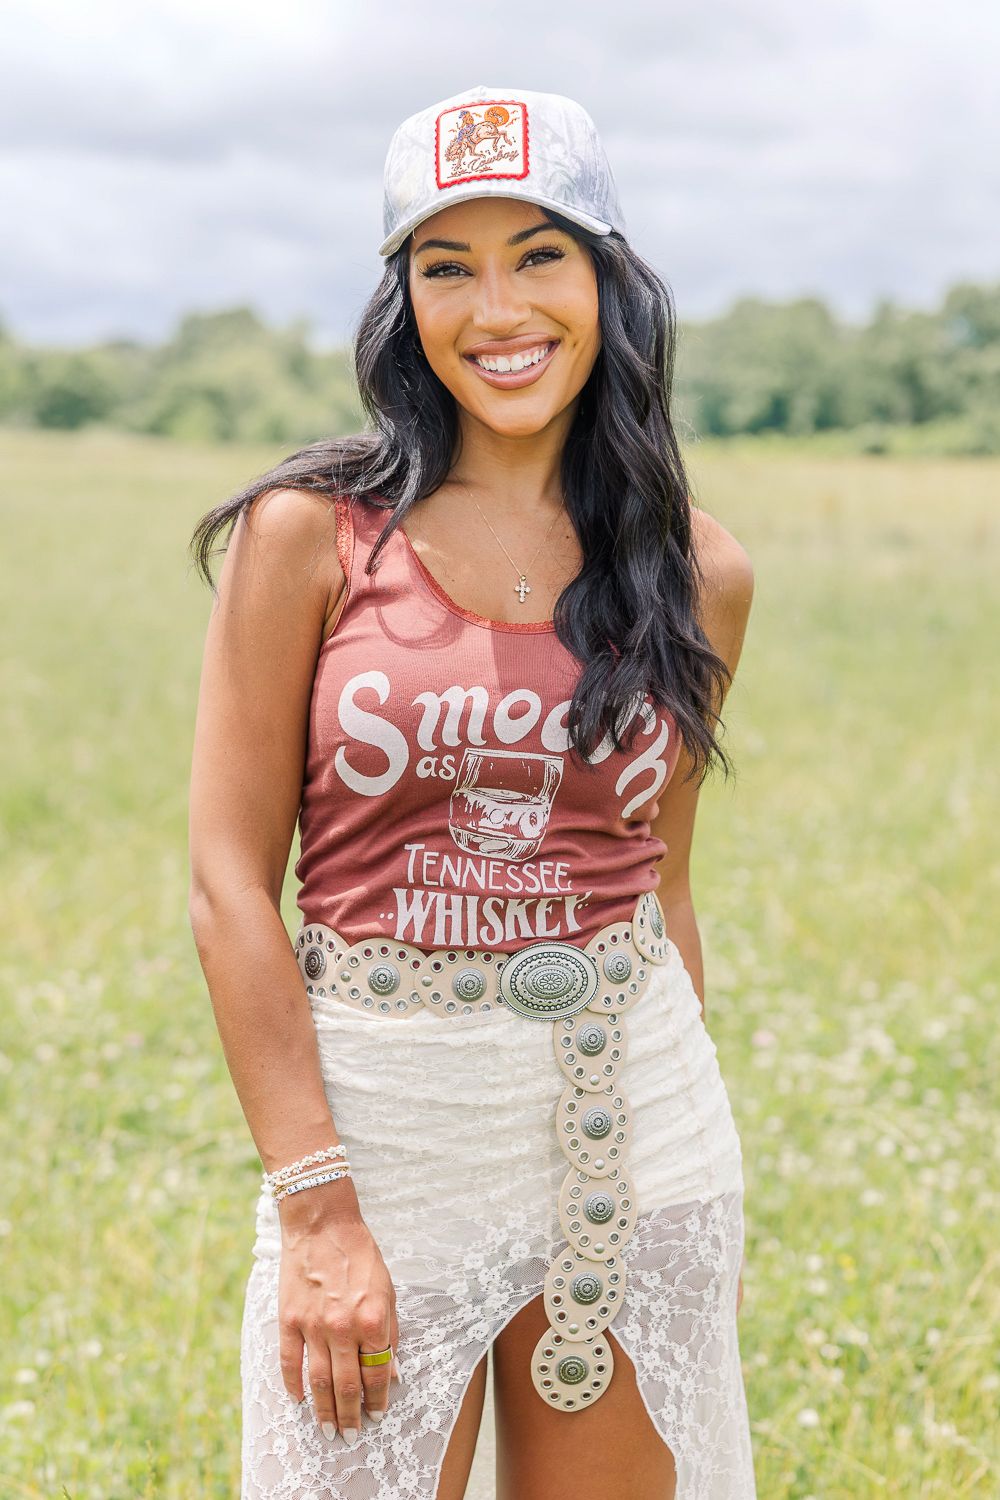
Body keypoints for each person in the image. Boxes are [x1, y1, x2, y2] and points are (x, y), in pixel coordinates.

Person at [187, 83, 757, 1500]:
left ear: (608, 282)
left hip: (632, 1122)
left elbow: (661, 879)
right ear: (406, 307)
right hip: (387, 1128)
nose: (498, 309)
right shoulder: (311, 533)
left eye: (538, 256)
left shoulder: (700, 572)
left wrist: (693, 1178)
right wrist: (316, 1209)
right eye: (449, 268)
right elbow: (225, 883)